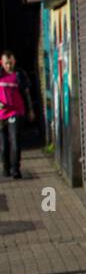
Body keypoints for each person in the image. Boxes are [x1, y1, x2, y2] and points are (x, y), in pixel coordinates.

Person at [0, 49, 35, 180]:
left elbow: (26, 93)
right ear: (1, 63)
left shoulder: (19, 74)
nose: (9, 65)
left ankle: (15, 169)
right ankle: (5, 168)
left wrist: (30, 109)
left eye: (10, 62)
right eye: (6, 63)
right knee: (3, 145)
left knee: (14, 140)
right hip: (1, 114)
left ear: (14, 61)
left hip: (15, 111)